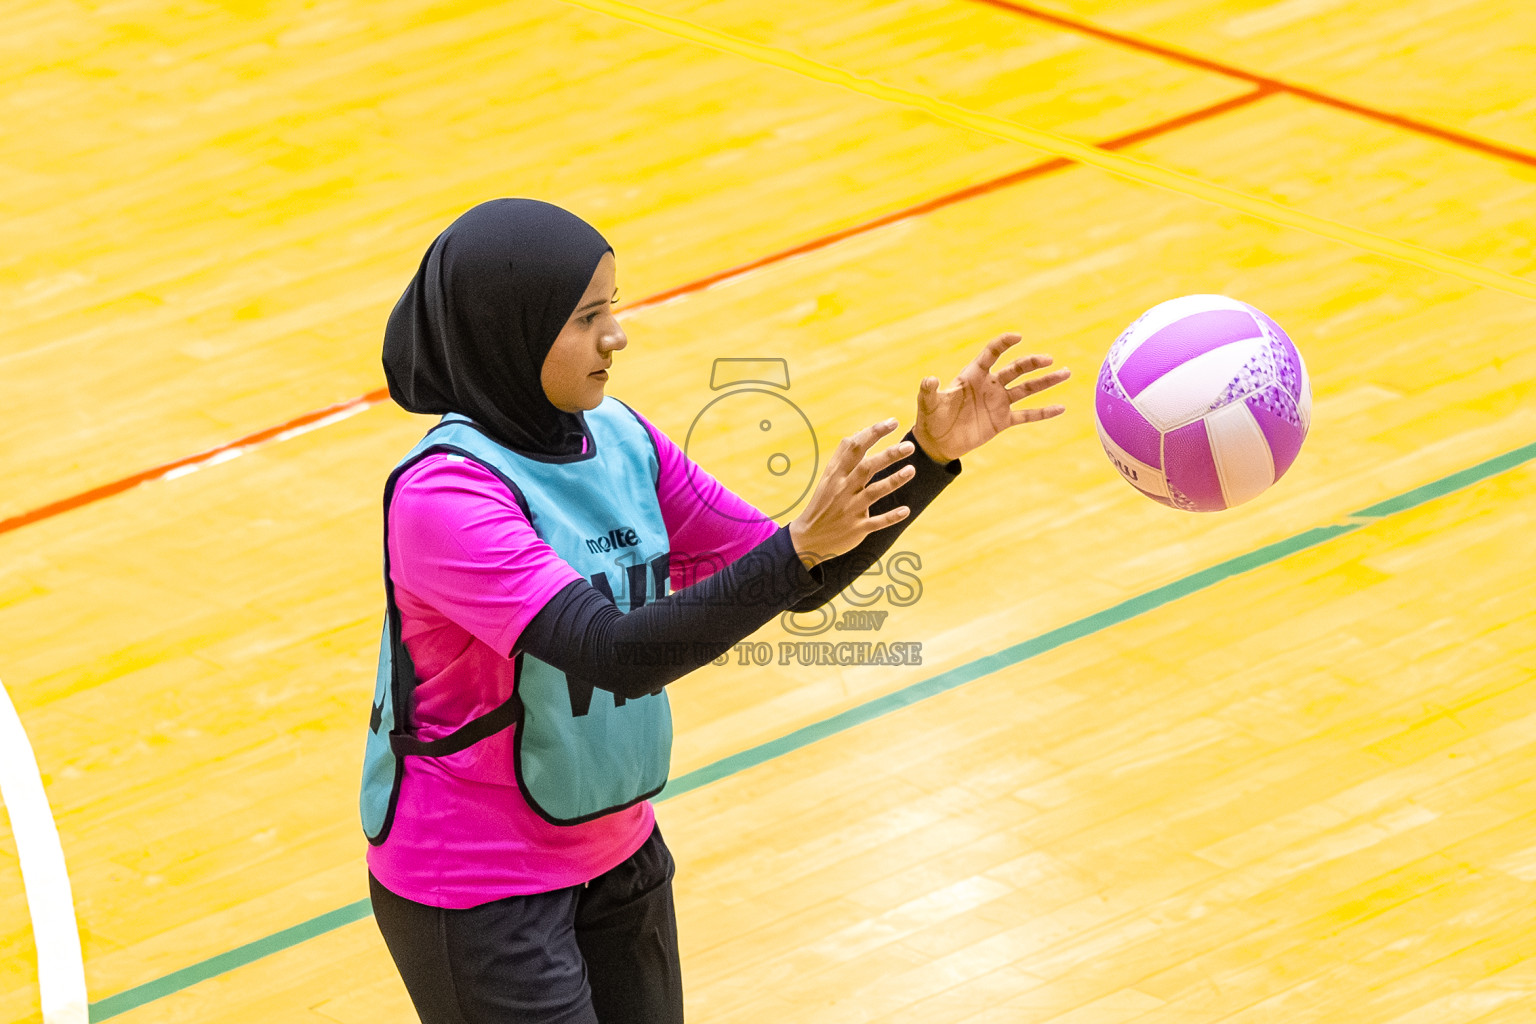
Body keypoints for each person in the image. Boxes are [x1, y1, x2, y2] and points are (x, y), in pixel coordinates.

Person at [359, 197, 1069, 1024]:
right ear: (509, 330)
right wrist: (796, 550)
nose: (616, 336)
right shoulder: (443, 495)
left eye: (613, 310)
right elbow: (614, 651)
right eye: (588, 318)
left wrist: (930, 459)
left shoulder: (620, 436)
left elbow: (790, 566)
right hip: (476, 885)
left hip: (616, 845)